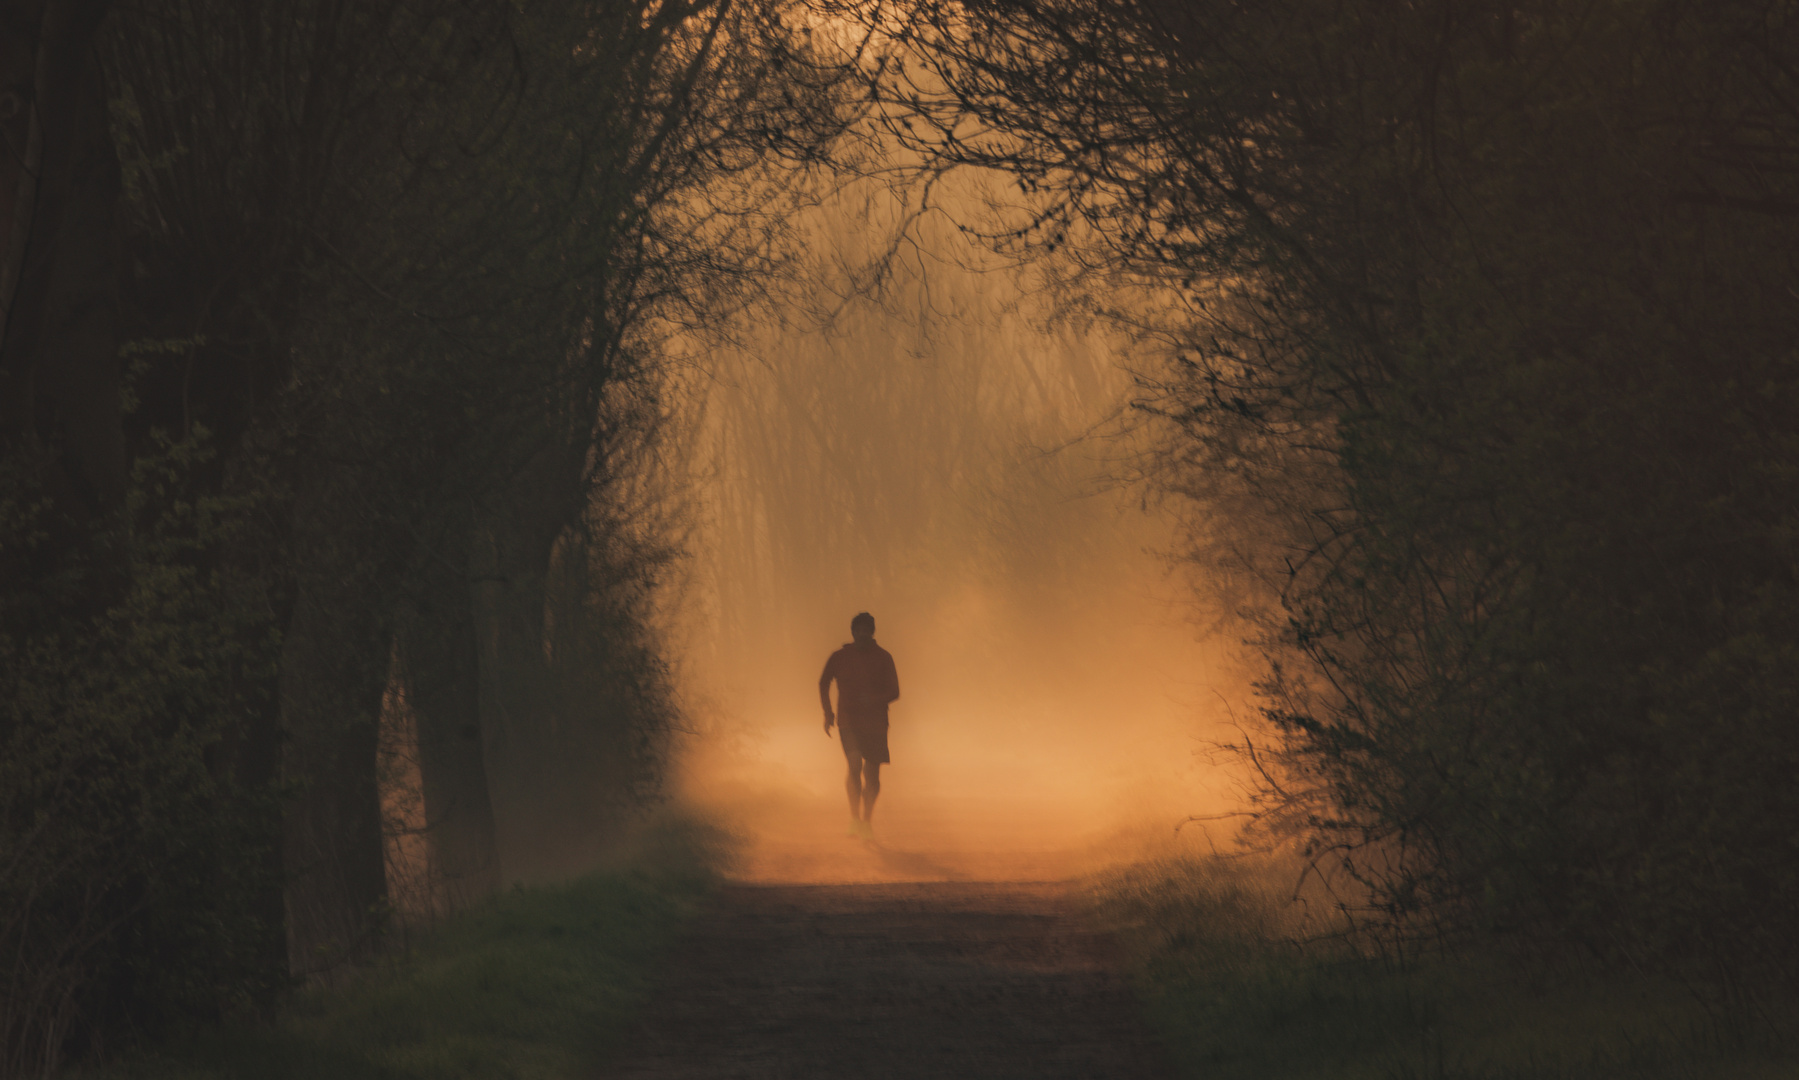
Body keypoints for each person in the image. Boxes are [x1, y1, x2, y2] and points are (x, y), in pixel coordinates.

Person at [818, 611, 899, 838]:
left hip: (876, 725)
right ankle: (854, 819)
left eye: (866, 630)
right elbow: (823, 682)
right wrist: (828, 713)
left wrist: (873, 700)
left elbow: (895, 691)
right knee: (854, 765)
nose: (862, 634)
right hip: (848, 722)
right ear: (853, 632)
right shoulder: (840, 656)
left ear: (872, 633)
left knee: (871, 775)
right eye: (858, 630)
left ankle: (867, 821)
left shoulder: (884, 657)